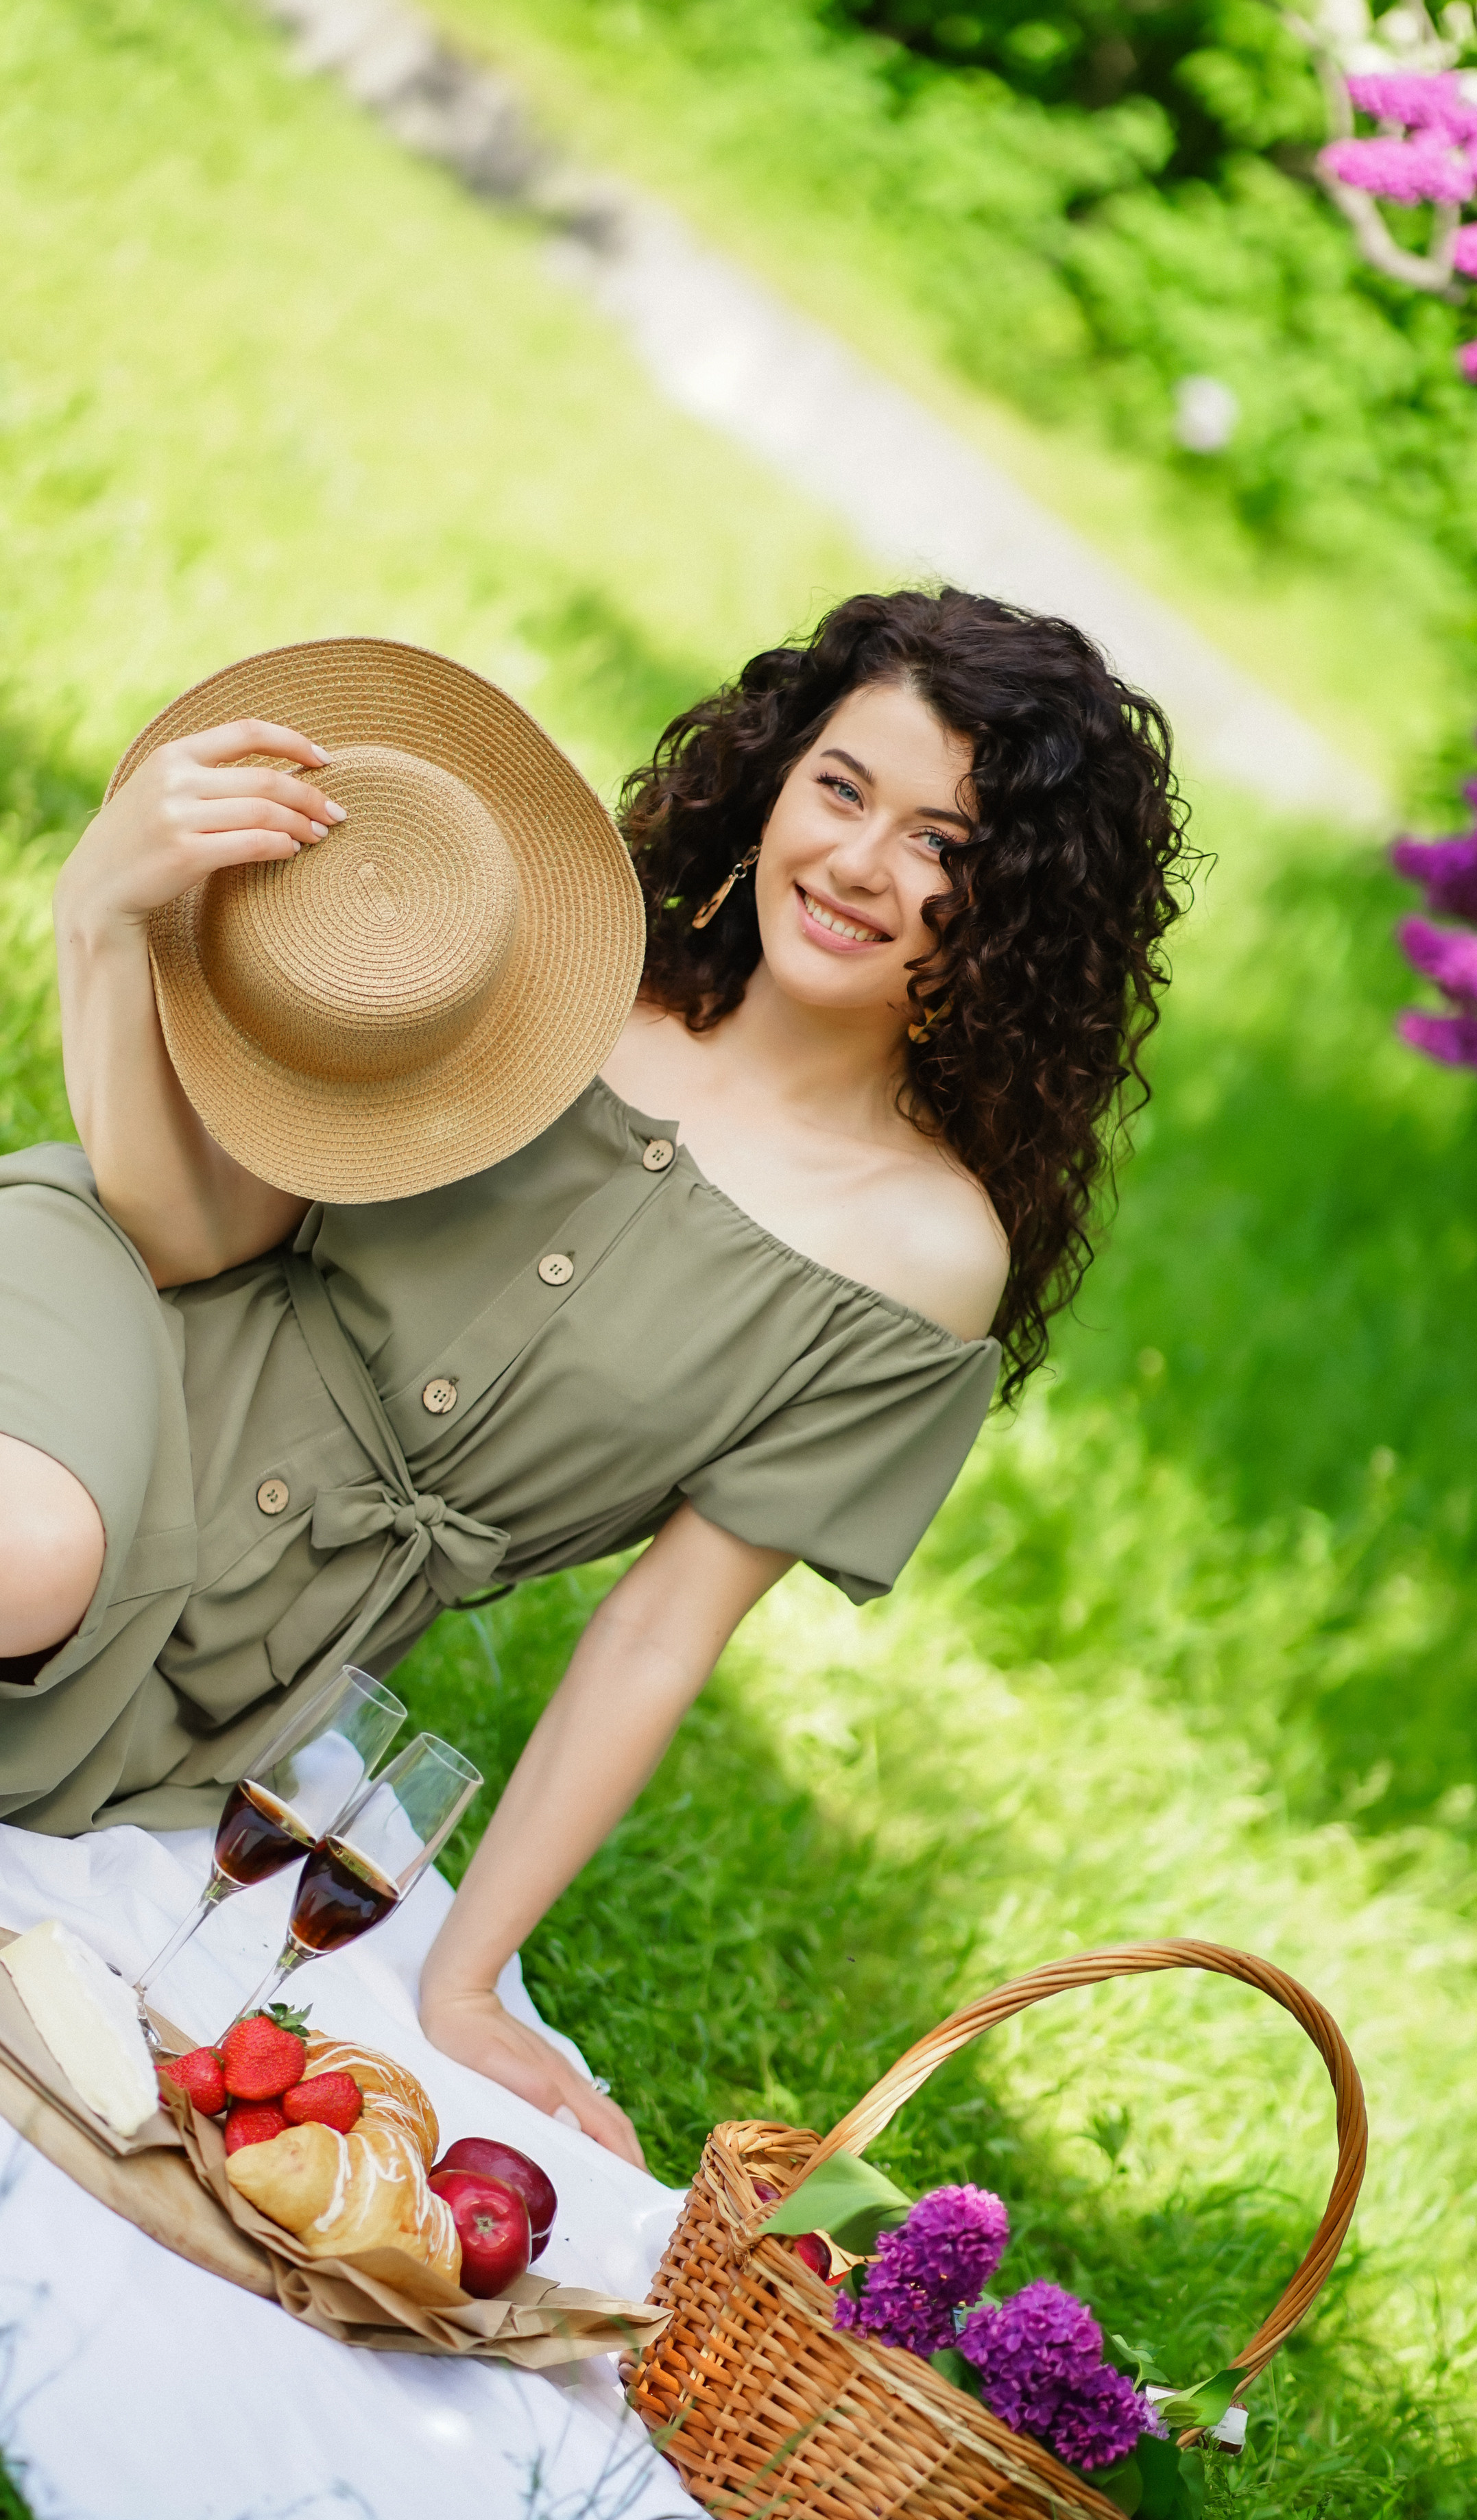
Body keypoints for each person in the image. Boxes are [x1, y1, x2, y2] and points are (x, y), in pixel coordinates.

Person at [0, 590, 1184, 2166]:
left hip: (238, 1646)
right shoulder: (560, 976)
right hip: (107, 1328)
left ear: (1024, 902)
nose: (856, 865)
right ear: (772, 776)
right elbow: (193, 1233)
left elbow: (655, 1631)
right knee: (33, 1554)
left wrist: (467, 1979)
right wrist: (103, 914)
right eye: (840, 788)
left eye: (946, 847)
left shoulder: (923, 1255)